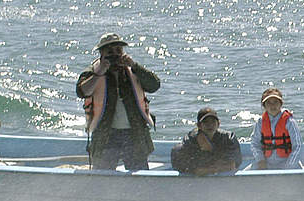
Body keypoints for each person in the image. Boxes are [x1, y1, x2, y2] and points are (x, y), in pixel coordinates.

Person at [75, 33, 161, 171]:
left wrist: (134, 65)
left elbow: (154, 85)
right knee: (103, 176)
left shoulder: (133, 71)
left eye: (118, 51)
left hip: (134, 134)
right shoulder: (93, 71)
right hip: (106, 135)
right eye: (110, 52)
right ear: (101, 53)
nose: (115, 55)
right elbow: (82, 91)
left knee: (139, 176)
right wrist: (99, 72)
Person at [171, 108, 242, 175]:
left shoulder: (229, 138)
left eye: (213, 122)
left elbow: (233, 163)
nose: (210, 125)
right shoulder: (190, 139)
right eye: (206, 122)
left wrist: (211, 150)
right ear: (199, 125)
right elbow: (183, 165)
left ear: (218, 124)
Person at [250, 88, 303, 169]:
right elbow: (254, 143)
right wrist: (260, 160)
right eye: (269, 103)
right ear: (264, 106)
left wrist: (290, 166)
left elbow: (298, 146)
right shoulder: (260, 122)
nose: (272, 105)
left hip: (287, 162)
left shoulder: (289, 121)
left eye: (275, 102)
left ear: (281, 104)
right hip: (266, 162)